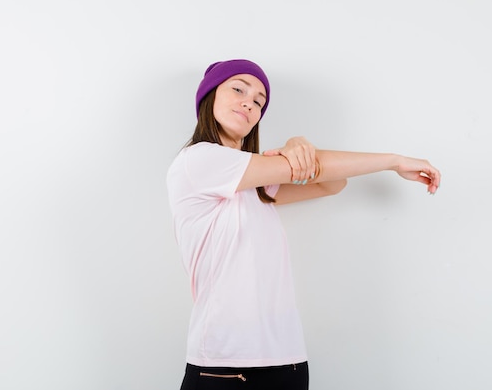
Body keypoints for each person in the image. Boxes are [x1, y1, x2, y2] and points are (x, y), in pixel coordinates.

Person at [166, 59, 441, 390]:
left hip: (287, 360)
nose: (248, 103)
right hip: (225, 365)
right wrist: (393, 161)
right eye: (238, 89)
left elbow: (331, 183)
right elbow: (324, 171)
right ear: (209, 95)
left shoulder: (257, 186)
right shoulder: (198, 161)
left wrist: (298, 147)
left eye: (258, 101)